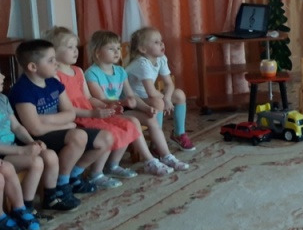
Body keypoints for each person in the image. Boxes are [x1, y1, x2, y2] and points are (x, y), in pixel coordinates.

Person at [8, 39, 113, 208]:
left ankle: (73, 176)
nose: (56, 63)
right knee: (78, 136)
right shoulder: (22, 90)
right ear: (33, 67)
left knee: (106, 138)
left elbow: (70, 113)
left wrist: (46, 119)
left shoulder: (53, 82)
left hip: (54, 131)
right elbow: (35, 128)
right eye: (51, 60)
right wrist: (64, 124)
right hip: (36, 139)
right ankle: (61, 185)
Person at [46, 26, 137, 187]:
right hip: (77, 117)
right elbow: (65, 108)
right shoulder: (54, 76)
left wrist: (106, 105)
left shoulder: (78, 71)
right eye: (70, 47)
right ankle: (95, 173)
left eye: (76, 46)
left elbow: (88, 98)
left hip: (90, 112)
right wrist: (94, 113)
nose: (76, 51)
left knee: (128, 125)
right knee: (109, 132)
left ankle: (111, 165)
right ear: (53, 51)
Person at [84, 30, 179, 175]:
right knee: (133, 122)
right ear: (97, 53)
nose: (117, 52)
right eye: (111, 49)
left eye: (118, 48)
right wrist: (124, 102)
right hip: (103, 113)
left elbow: (131, 95)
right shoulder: (91, 73)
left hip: (120, 110)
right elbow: (102, 100)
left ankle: (166, 155)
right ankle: (149, 161)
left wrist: (146, 108)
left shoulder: (120, 71)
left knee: (151, 119)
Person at [125, 26, 196, 152]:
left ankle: (179, 133)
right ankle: (156, 142)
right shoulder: (142, 63)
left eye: (161, 41)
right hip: (131, 100)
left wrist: (167, 99)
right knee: (158, 102)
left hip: (147, 97)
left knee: (179, 95)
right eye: (156, 42)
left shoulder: (161, 59)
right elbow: (151, 92)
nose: (162, 44)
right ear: (143, 49)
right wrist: (164, 101)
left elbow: (169, 84)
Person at [0, 67, 58, 217]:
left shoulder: (3, 99)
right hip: (3, 154)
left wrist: (31, 142)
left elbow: (17, 127)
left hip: (12, 148)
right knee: (35, 162)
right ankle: (24, 208)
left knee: (46, 155)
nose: (2, 76)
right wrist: (22, 150)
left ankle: (33, 204)